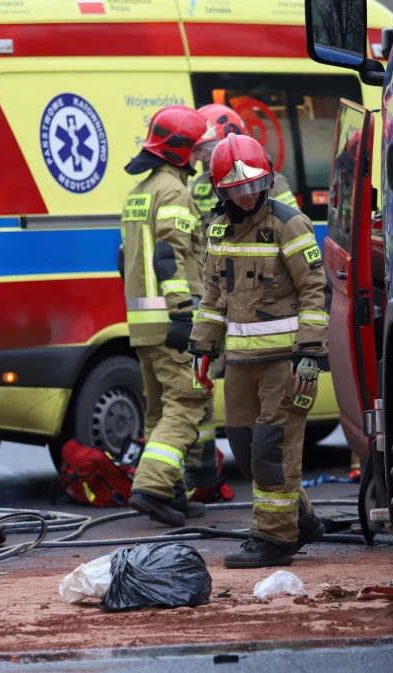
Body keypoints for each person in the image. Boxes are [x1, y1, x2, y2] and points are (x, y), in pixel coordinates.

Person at [189, 133, 330, 569]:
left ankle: (274, 537)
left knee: (273, 448)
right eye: (237, 189)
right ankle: (300, 517)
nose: (248, 195)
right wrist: (202, 347)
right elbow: (213, 297)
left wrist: (309, 353)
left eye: (254, 186)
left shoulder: (290, 224)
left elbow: (313, 291)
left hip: (284, 363)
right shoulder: (218, 229)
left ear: (268, 181)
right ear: (220, 191)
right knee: (247, 448)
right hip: (240, 363)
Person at [117, 105, 215, 527]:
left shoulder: (139, 192)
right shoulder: (173, 192)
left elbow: (126, 260)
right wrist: (183, 315)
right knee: (188, 403)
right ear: (178, 151)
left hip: (143, 323)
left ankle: (171, 494)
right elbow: (168, 255)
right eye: (195, 150)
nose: (198, 158)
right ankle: (154, 488)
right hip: (172, 321)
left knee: (160, 410)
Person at [191, 103, 300, 229]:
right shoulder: (201, 185)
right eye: (198, 149)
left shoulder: (273, 182)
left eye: (207, 148)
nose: (201, 156)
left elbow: (293, 227)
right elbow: (200, 237)